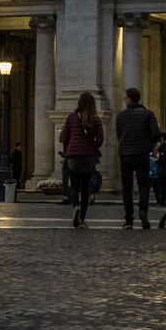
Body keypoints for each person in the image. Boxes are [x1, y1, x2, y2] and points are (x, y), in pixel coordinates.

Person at [114, 87, 162, 229]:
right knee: (143, 185)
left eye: (125, 98)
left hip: (126, 155)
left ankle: (128, 220)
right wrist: (150, 143)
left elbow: (119, 135)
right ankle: (143, 211)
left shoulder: (121, 116)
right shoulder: (148, 114)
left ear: (129, 99)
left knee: (127, 188)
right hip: (142, 154)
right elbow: (156, 133)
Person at [59, 90, 103, 228]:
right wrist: (92, 146)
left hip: (74, 157)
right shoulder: (96, 119)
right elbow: (100, 139)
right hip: (88, 157)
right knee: (85, 190)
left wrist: (68, 151)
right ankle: (82, 219)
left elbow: (65, 137)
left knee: (74, 187)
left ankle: (76, 207)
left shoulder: (71, 117)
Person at [150, 130, 166, 206]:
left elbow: (163, 159)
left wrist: (156, 161)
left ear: (162, 138)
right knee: (162, 186)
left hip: (163, 169)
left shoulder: (165, 147)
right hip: (164, 169)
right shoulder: (165, 147)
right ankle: (163, 202)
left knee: (163, 186)